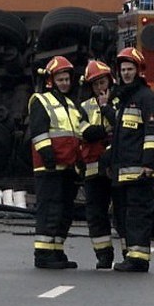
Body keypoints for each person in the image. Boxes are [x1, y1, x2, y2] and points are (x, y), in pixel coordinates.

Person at [28, 56, 103, 269]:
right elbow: (39, 133)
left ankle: (56, 251)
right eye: (60, 79)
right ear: (51, 80)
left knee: (63, 212)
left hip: (67, 168)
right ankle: (43, 254)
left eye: (67, 79)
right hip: (48, 168)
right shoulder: (41, 101)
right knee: (49, 210)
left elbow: (80, 132)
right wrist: (49, 158)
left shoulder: (71, 105)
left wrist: (103, 129)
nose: (65, 83)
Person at [104, 47, 154, 273]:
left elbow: (153, 133)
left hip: (139, 171)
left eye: (130, 69)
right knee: (121, 216)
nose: (126, 73)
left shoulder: (147, 98)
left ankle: (138, 259)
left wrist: (149, 164)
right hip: (121, 171)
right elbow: (119, 137)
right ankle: (129, 254)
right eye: (123, 70)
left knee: (137, 215)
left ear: (139, 71)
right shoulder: (124, 99)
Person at [79, 60, 117, 269]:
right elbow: (85, 132)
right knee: (96, 215)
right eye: (95, 85)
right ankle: (103, 255)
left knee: (123, 213)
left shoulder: (120, 102)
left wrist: (107, 109)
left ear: (109, 82)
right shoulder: (84, 107)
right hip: (94, 171)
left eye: (102, 82)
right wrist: (106, 133)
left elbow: (123, 128)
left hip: (117, 170)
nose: (100, 88)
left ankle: (131, 254)